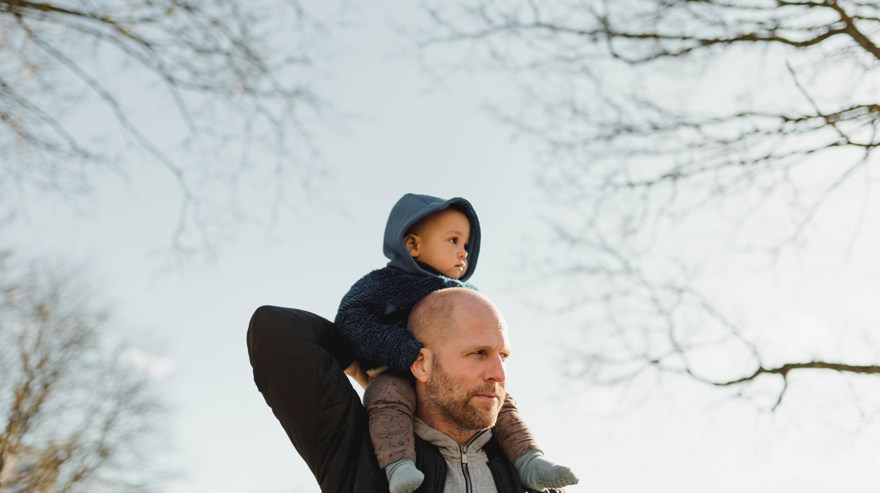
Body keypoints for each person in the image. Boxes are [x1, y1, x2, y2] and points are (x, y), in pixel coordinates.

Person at [334, 193, 578, 493]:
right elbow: (351, 318)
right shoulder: (386, 283)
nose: (463, 252)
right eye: (453, 240)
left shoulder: (466, 292)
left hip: (450, 378)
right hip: (397, 367)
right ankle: (398, 465)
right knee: (386, 396)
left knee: (503, 405)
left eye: (466, 245)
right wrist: (400, 350)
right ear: (412, 245)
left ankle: (529, 460)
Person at [246, 287, 572, 492]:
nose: (498, 374)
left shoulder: (531, 477)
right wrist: (372, 355)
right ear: (420, 363)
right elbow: (276, 329)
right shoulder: (358, 453)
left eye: (503, 357)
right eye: (478, 353)